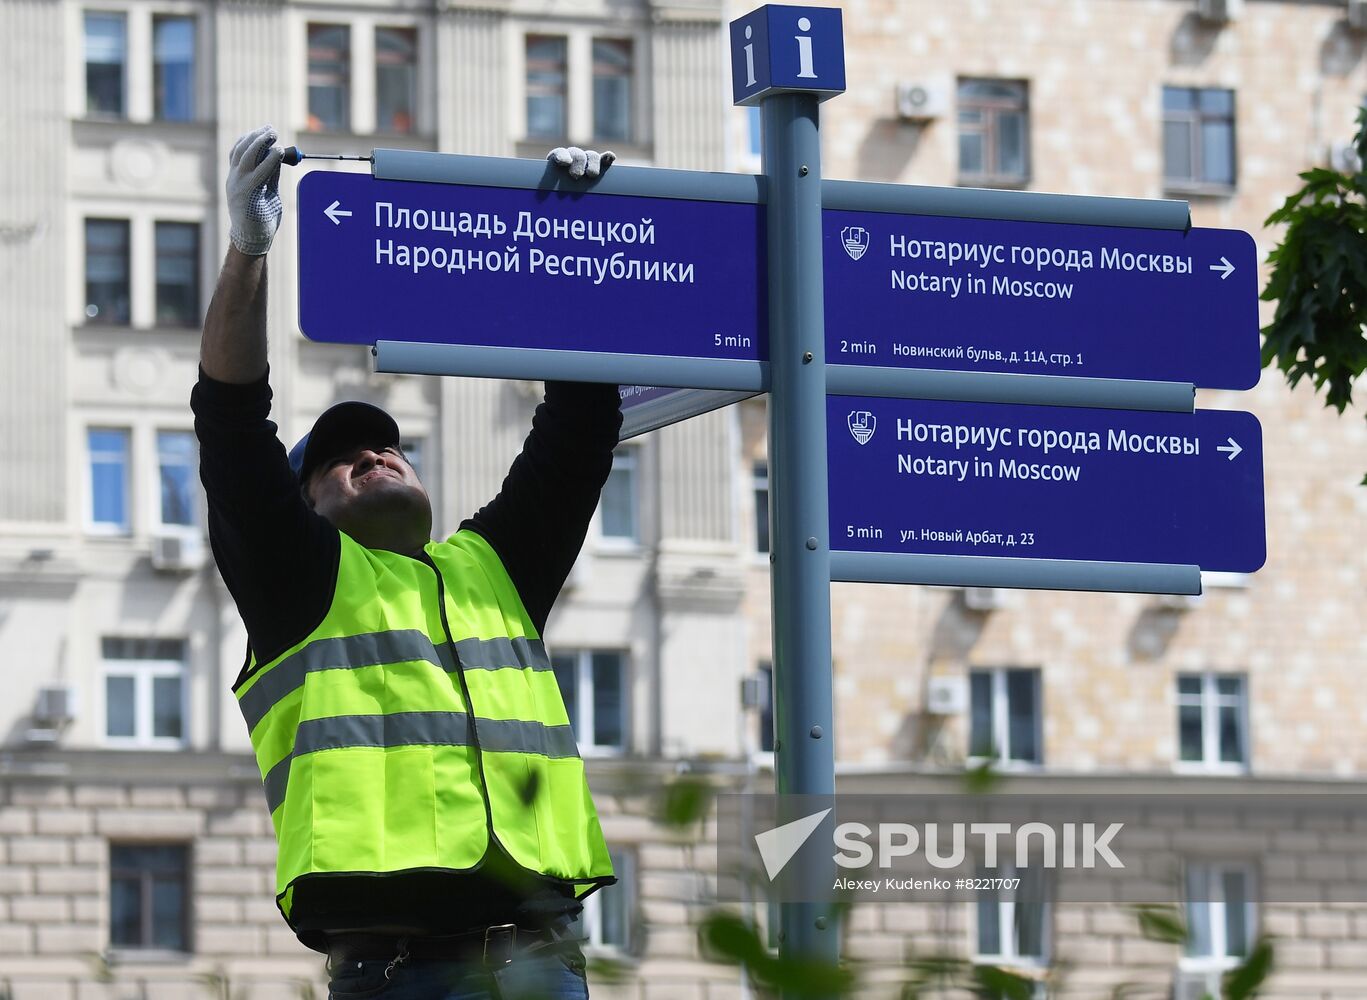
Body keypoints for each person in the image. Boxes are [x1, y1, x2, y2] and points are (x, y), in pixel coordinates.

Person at [193, 125, 622, 999]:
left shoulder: (492, 566)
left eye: (390, 448)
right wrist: (246, 251)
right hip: (394, 974)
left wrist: (568, 238)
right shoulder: (301, 582)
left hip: (542, 965)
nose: (374, 457)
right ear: (304, 508)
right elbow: (232, 426)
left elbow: (579, 426)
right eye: (337, 461)